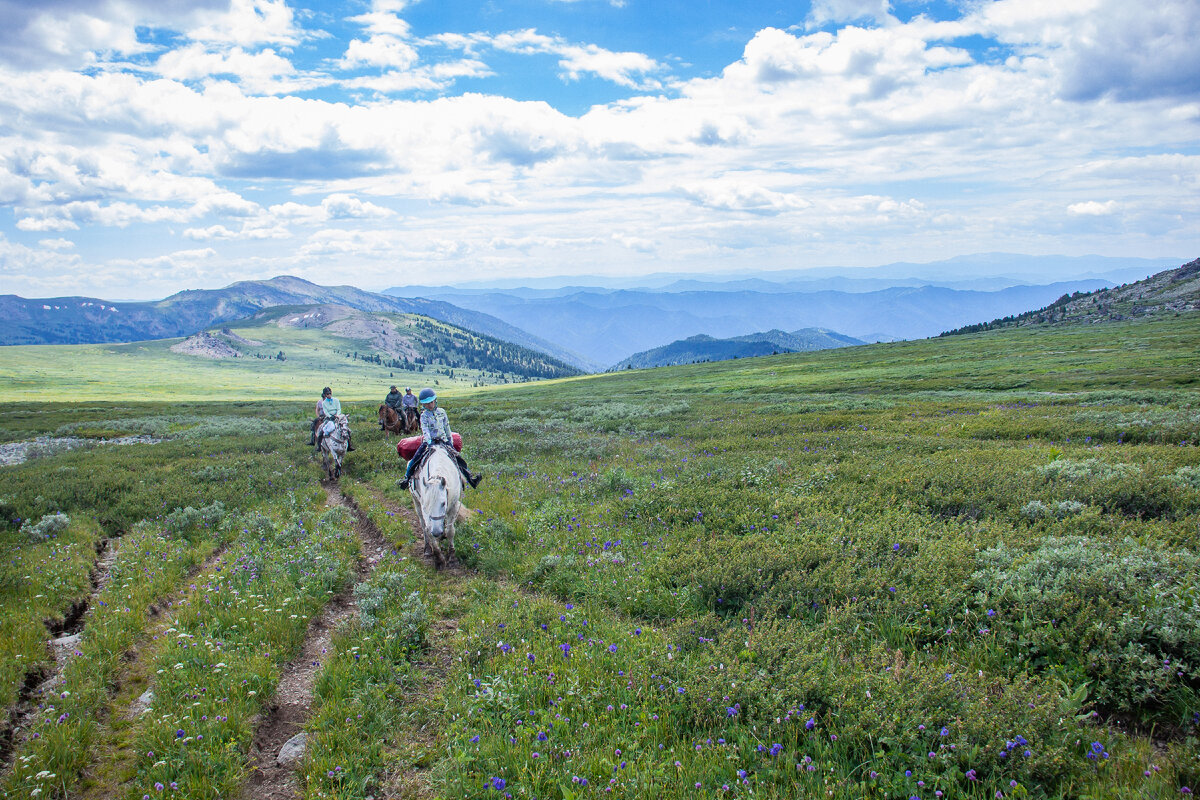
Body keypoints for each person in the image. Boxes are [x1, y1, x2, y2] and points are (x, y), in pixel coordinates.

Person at [399, 388, 481, 490]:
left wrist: (449, 441)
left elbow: (447, 427)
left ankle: (471, 479)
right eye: (427, 403)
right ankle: (407, 478)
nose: (430, 405)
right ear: (423, 405)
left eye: (431, 402)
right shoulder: (424, 416)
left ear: (435, 400)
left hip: (444, 441)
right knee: (416, 458)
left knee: (458, 459)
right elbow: (425, 430)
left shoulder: (442, 412)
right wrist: (429, 442)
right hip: (429, 442)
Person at [309, 386, 355, 450]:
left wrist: (337, 415)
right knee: (321, 429)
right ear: (325, 395)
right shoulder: (323, 403)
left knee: (346, 429)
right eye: (327, 394)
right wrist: (330, 416)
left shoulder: (336, 400)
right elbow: (325, 411)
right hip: (328, 417)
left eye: (330, 393)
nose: (329, 395)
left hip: (337, 416)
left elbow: (339, 408)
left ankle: (349, 445)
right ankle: (319, 445)